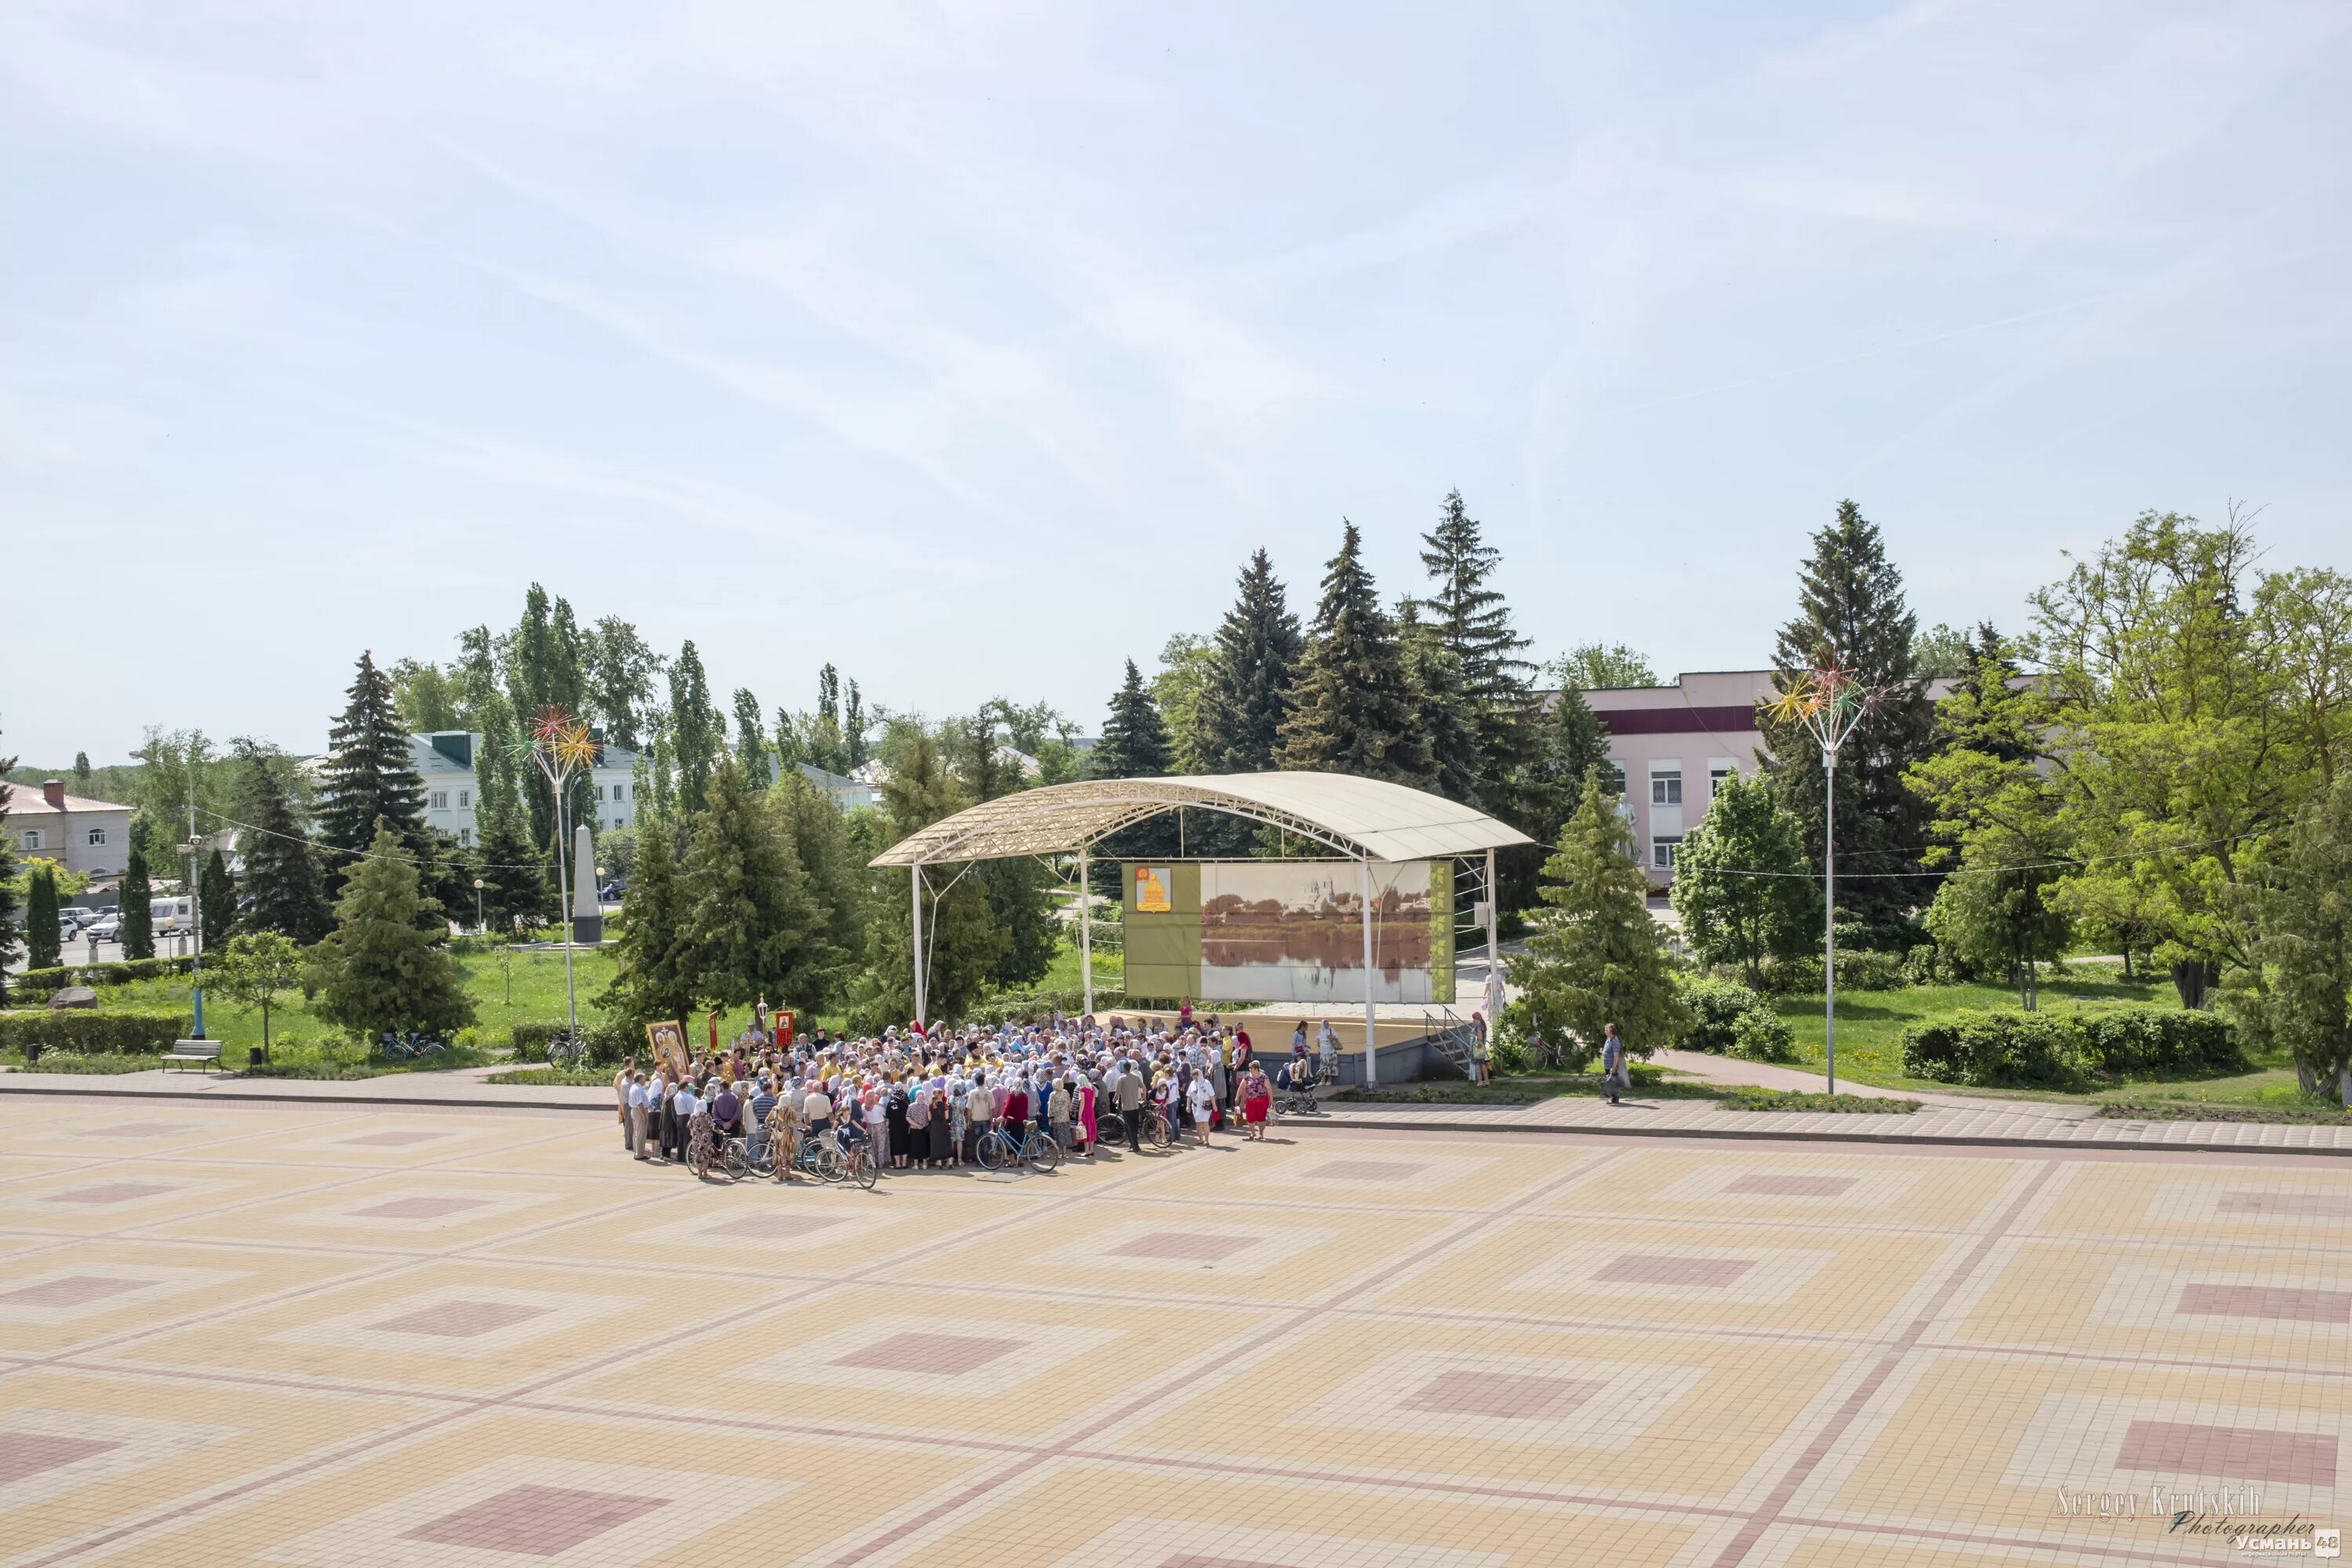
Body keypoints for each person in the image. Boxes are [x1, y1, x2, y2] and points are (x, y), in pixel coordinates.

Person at [1185, 1069, 1217, 1146]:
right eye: (1193, 1077)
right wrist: (1188, 1106)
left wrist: (1214, 1105)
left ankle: (1206, 1140)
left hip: (1205, 1106)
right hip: (1196, 1106)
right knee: (1198, 1123)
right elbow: (1189, 1095)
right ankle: (1200, 1139)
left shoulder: (1206, 1083)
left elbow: (1212, 1095)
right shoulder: (1192, 1083)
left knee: (1205, 1122)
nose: (1195, 1079)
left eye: (1196, 1077)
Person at [1240, 1062, 1271, 1139]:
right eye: (1249, 1068)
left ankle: (1261, 1133)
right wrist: (1238, 1097)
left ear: (1256, 1069)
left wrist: (1271, 1099)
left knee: (1261, 1118)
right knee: (1250, 1117)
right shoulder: (1247, 1077)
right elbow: (1241, 1087)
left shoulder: (1264, 1077)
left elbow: (1269, 1089)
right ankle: (1252, 1133)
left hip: (1262, 1100)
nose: (1249, 1070)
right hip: (1250, 1100)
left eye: (1251, 1068)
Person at [1600, 1022, 1628, 1105]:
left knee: (1613, 1083)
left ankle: (1615, 1098)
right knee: (1609, 1082)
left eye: (1606, 1030)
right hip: (1607, 1065)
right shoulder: (1609, 1039)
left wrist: (1613, 1067)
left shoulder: (1614, 1041)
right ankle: (1612, 1097)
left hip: (1612, 1066)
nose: (1605, 1031)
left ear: (1610, 1031)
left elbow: (1616, 1056)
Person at [613, 1056, 637, 1150]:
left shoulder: (619, 1075)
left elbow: (616, 1086)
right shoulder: (629, 1074)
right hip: (627, 1102)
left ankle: (632, 1142)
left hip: (625, 1101)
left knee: (630, 1123)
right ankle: (629, 1143)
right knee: (629, 1123)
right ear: (630, 1063)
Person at [627, 1070, 651, 1161]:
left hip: (635, 1111)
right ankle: (639, 1154)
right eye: (644, 1078)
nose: (645, 1080)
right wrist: (644, 1116)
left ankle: (637, 1152)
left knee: (637, 1133)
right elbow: (639, 1104)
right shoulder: (638, 1089)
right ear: (640, 1079)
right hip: (639, 1112)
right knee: (641, 1134)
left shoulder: (634, 1087)